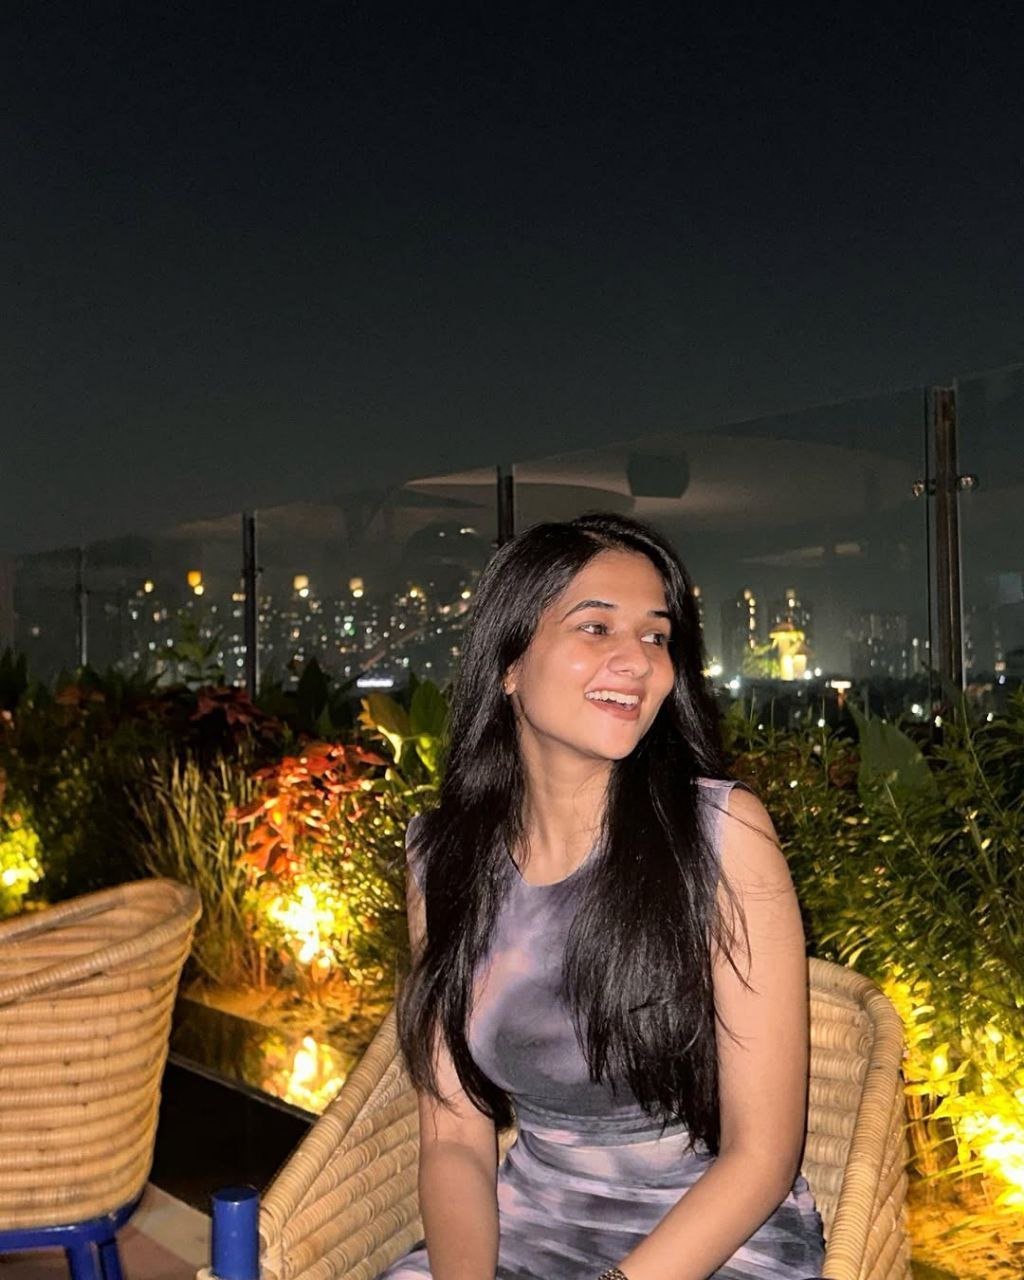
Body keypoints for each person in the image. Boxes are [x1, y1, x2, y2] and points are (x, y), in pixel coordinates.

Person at [381, 512, 825, 1280]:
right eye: (596, 628)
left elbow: (762, 1156)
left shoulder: (719, 835)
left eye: (656, 636)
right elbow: (453, 1138)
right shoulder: (442, 860)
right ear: (509, 664)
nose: (637, 660)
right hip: (531, 1222)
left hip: (714, 1240)